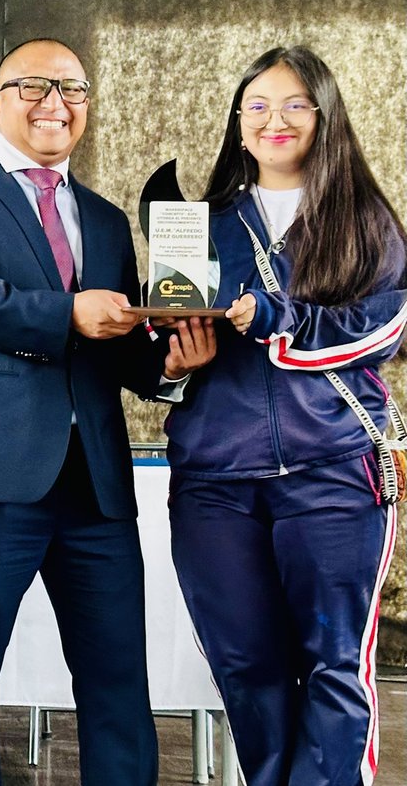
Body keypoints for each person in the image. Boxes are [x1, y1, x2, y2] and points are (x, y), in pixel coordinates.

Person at [0, 37, 215, 786]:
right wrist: (68, 313)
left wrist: (169, 364)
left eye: (72, 90)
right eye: (34, 86)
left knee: (117, 683)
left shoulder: (105, 220)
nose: (55, 103)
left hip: (97, 486)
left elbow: (117, 345)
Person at [166, 45, 407, 786]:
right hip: (214, 481)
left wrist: (280, 317)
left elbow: (386, 329)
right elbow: (161, 345)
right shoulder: (198, 225)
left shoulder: (364, 219)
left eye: (296, 103)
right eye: (259, 105)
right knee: (246, 665)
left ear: (325, 117)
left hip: (335, 472)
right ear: (239, 124)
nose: (276, 119)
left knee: (333, 663)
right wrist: (172, 363)